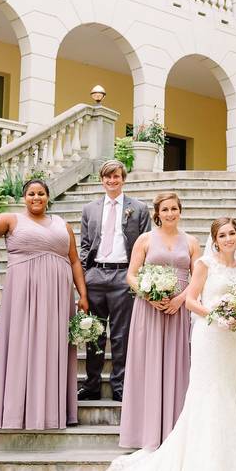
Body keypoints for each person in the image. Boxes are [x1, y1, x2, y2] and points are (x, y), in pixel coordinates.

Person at [61, 218, 236, 471]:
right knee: (207, 395)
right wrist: (217, 315)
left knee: (231, 395)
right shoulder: (206, 263)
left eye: (232, 233)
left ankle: (230, 465)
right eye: (222, 234)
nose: (228, 238)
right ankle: (200, 466)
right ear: (215, 240)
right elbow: (192, 301)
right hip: (209, 336)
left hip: (233, 341)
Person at [0, 179, 88, 430]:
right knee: (22, 344)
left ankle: (53, 412)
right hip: (24, 294)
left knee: (53, 346)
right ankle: (17, 412)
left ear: (47, 197)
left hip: (57, 297)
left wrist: (83, 295)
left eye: (41, 193)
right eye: (31, 194)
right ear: (25, 197)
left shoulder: (62, 224)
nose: (36, 198)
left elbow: (75, 261)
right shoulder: (11, 219)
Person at [119, 192, 200, 450]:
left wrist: (181, 300)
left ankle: (174, 430)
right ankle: (145, 432)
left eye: (174, 208)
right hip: (148, 310)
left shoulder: (191, 242)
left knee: (177, 365)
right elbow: (131, 275)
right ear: (157, 213)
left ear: (180, 210)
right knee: (148, 365)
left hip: (179, 311)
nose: (170, 213)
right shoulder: (145, 239)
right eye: (165, 209)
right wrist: (147, 293)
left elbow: (198, 278)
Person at [78, 160, 152, 402]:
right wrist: (85, 276)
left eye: (116, 177)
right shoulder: (90, 209)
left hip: (124, 275)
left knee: (122, 334)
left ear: (123, 179)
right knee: (93, 333)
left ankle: (120, 385)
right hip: (96, 275)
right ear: (102, 180)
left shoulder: (139, 208)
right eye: (108, 177)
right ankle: (92, 384)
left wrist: (139, 278)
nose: (112, 181)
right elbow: (86, 245)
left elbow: (146, 245)